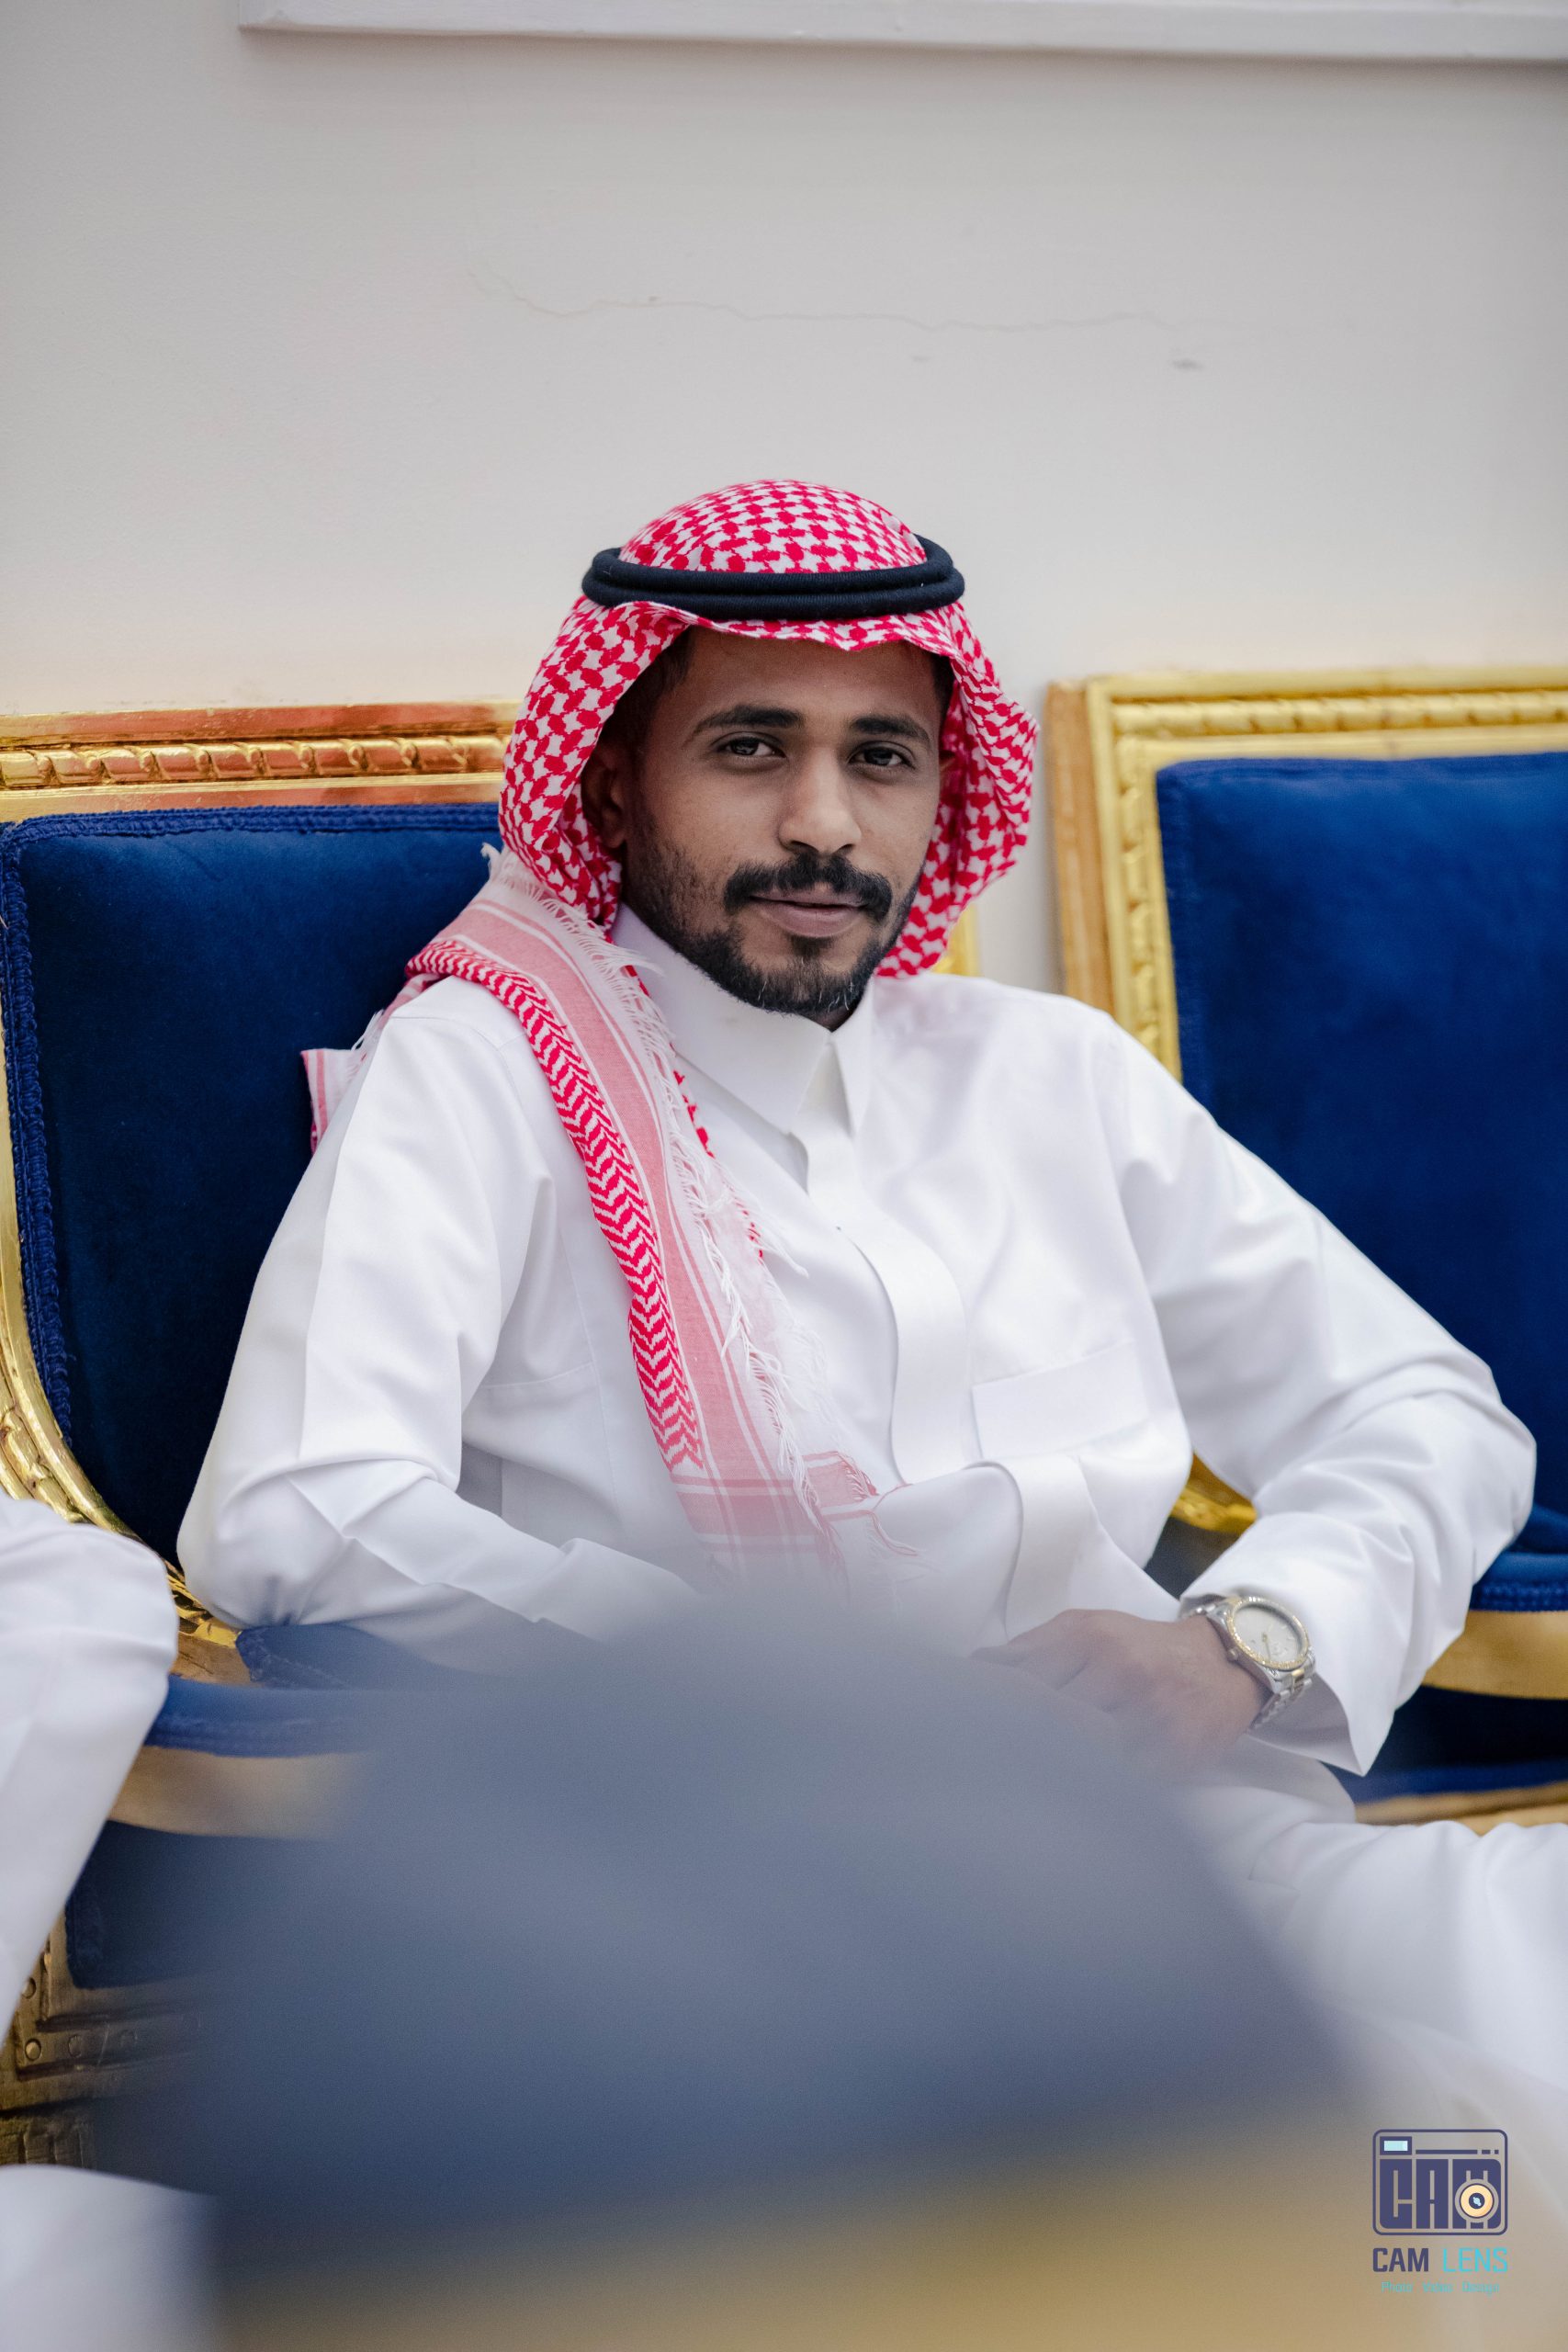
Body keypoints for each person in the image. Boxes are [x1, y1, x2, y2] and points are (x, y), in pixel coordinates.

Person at [180, 481, 1565, 2096]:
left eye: (881, 757)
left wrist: (1237, 1649)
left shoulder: (1045, 1074)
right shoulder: (489, 1075)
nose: (824, 824)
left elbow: (1426, 1413)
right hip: (751, 1921)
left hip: (1182, 1852)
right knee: (1426, 2158)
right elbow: (295, 1507)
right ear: (617, 777)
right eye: (751, 748)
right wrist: (808, 1691)